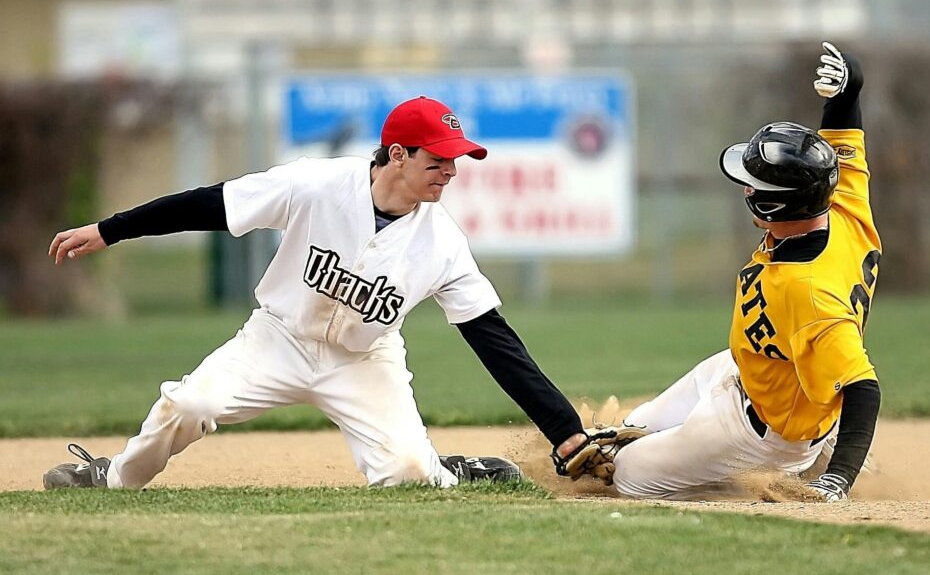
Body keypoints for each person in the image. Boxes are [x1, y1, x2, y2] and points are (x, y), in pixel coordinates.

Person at [43, 96, 588, 490]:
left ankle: (444, 468)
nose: (450, 170)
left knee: (409, 476)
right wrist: (110, 230)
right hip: (278, 338)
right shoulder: (317, 185)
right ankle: (112, 477)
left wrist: (564, 431)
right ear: (397, 155)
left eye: (455, 160)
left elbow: (495, 341)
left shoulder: (442, 242)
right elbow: (212, 203)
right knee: (190, 404)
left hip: (362, 360)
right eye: (438, 159)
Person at [581, 42, 882, 501]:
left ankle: (759, 471)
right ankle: (785, 447)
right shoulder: (841, 206)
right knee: (625, 431)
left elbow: (863, 389)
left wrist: (837, 481)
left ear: (771, 203)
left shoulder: (809, 290)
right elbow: (844, 134)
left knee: (623, 476)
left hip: (764, 433)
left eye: (752, 183)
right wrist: (848, 88)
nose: (744, 186)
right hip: (747, 368)